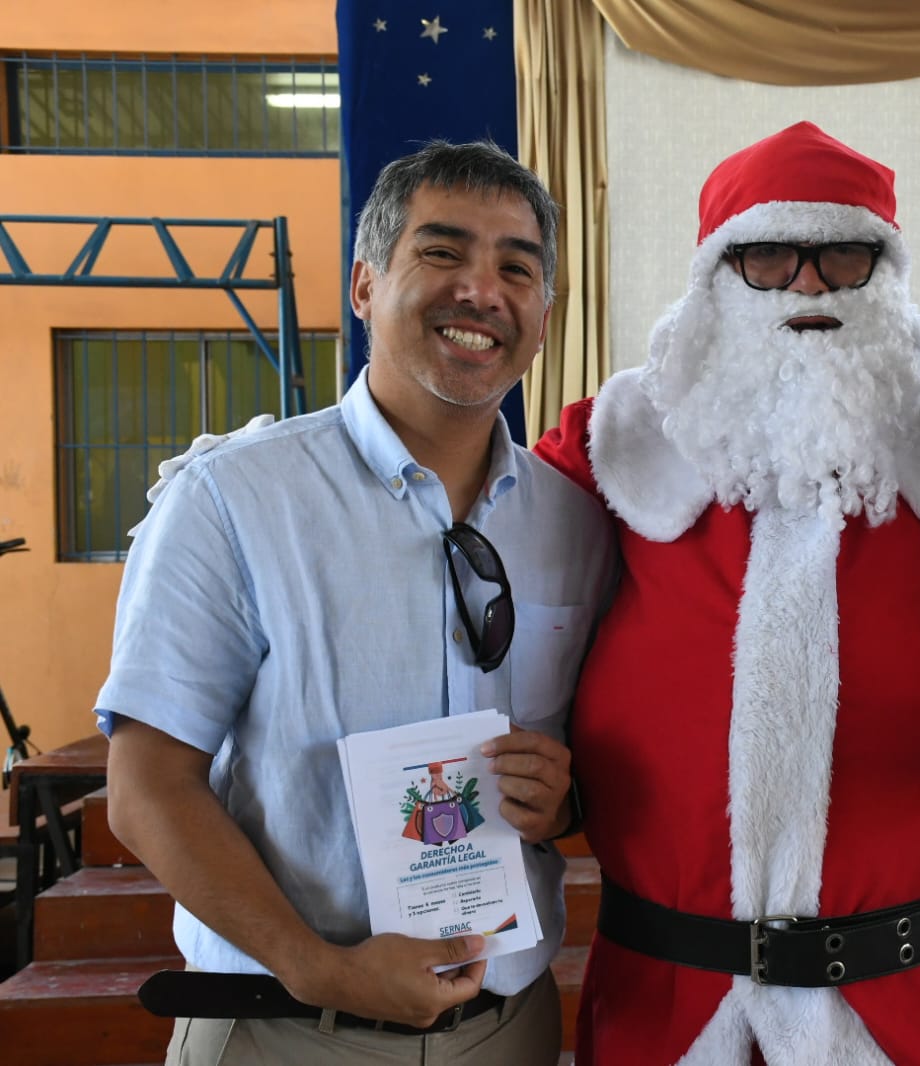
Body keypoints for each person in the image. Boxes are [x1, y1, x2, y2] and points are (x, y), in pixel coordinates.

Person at [97, 140, 616, 1066]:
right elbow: (146, 790)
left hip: (508, 1030)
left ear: (543, 315)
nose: (480, 291)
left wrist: (562, 800)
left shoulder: (577, 526)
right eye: (442, 252)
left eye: (516, 268)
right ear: (364, 285)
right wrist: (320, 968)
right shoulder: (233, 499)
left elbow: (592, 762)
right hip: (285, 1028)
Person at [534, 121, 920, 1065]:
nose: (806, 285)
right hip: (669, 1002)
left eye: (842, 254)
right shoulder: (616, 437)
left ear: (885, 272)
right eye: (765, 256)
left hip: (915, 1005)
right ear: (714, 276)